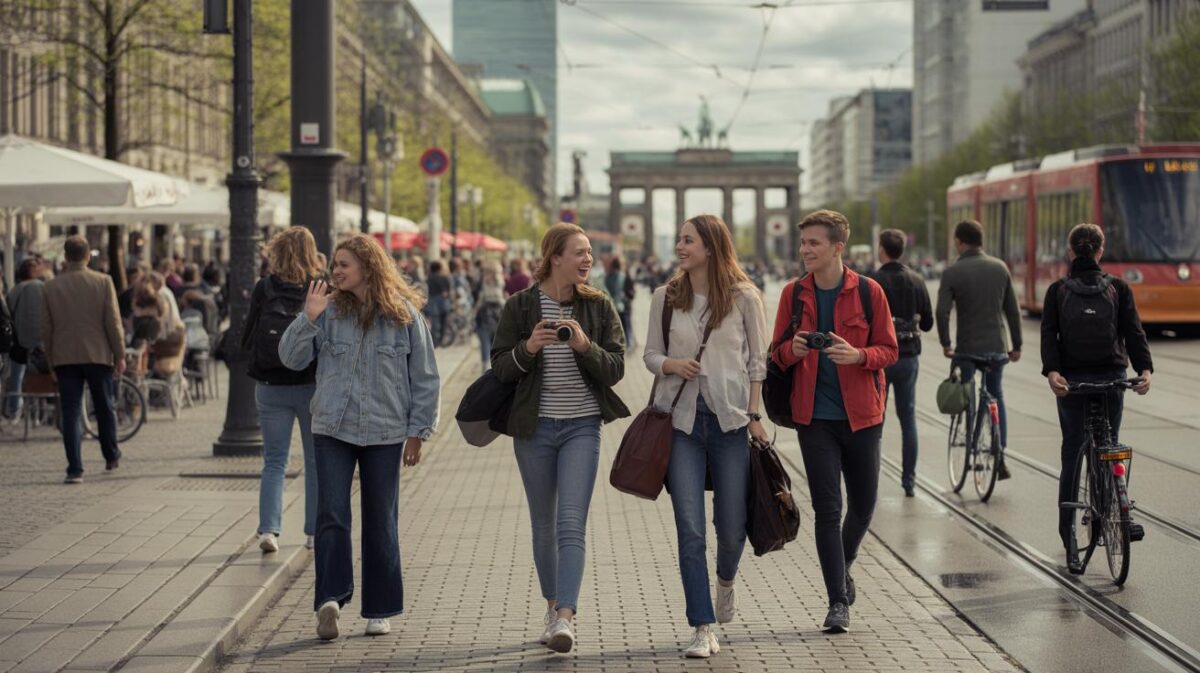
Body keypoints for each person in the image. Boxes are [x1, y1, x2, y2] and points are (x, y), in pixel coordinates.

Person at [278, 233, 440, 641]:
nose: (334, 271)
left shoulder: (404, 316)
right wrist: (308, 317)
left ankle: (380, 609)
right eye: (334, 264)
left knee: (381, 520)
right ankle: (329, 600)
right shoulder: (328, 313)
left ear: (368, 267)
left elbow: (425, 378)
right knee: (330, 514)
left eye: (343, 264)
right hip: (333, 427)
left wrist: (418, 433)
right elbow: (290, 359)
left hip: (385, 432)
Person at [490, 223, 629, 654]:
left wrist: (585, 346)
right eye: (580, 253)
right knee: (543, 524)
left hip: (582, 426)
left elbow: (617, 368)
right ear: (555, 258)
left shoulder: (599, 304)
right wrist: (528, 348)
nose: (589, 259)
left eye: (590, 253)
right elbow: (499, 367)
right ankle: (552, 607)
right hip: (534, 429)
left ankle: (566, 615)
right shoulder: (520, 306)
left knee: (571, 522)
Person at [643, 214, 768, 658]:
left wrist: (754, 413)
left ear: (712, 247)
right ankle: (702, 625)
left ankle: (726, 580)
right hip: (681, 424)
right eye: (679, 239)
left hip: (731, 421)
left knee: (732, 528)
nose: (680, 247)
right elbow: (650, 354)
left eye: (688, 240)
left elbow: (757, 361)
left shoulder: (744, 298)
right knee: (691, 529)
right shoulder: (665, 296)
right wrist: (672, 365)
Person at [769, 210, 897, 634]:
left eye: (814, 244)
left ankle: (844, 564)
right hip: (815, 419)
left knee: (863, 506)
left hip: (863, 416)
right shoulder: (794, 294)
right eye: (803, 243)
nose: (805, 250)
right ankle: (837, 601)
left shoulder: (869, 292)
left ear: (837, 247)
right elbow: (776, 353)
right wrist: (795, 350)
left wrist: (859, 356)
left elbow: (890, 351)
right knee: (828, 509)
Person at [1040, 223, 1152, 567]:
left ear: (1070, 251)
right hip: (1112, 378)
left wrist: (1053, 372)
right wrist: (1144, 370)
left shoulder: (1057, 290)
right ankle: (1115, 509)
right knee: (1110, 445)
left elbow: (1049, 335)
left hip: (1072, 381)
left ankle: (1070, 537)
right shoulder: (1118, 287)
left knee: (1072, 452)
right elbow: (1133, 331)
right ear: (1100, 252)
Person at [242, 228, 323, 554]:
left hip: (270, 385)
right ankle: (313, 532)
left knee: (274, 461)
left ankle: (268, 530)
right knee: (315, 461)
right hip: (309, 385)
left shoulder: (265, 287)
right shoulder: (320, 288)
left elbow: (248, 335)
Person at [936, 219, 1022, 479]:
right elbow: (1012, 311)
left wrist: (946, 342)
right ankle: (1000, 452)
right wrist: (1015, 345)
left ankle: (971, 442)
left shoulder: (952, 272)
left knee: (967, 394)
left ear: (959, 242)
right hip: (997, 348)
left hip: (967, 349)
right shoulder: (1000, 268)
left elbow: (942, 311)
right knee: (996, 394)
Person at [40, 236, 126, 483]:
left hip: (65, 357)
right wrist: (119, 354)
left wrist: (51, 358)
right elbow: (113, 322)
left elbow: (46, 328)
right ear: (88, 256)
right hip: (97, 354)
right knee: (104, 407)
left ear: (65, 258)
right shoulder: (103, 281)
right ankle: (111, 455)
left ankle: (75, 468)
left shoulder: (51, 287)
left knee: (70, 412)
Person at [870, 229, 933, 497]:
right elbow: (928, 324)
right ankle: (909, 481)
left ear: (882, 250)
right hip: (908, 357)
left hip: (880, 360)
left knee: (875, 419)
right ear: (902, 251)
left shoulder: (872, 281)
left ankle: (870, 479)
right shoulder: (917, 280)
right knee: (908, 418)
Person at [4, 258, 45, 420]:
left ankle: (14, 411)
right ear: (33, 272)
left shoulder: (14, 291)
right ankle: (41, 414)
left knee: (16, 377)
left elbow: (8, 314)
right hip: (42, 344)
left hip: (19, 343)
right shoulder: (44, 288)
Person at [472, 260, 505, 372]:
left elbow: (480, 300)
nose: (485, 274)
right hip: (493, 317)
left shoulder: (493, 284)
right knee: (489, 344)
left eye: (486, 272)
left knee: (487, 345)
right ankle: (488, 369)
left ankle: (488, 369)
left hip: (487, 316)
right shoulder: (497, 284)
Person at [604, 256, 633, 352]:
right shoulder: (624, 276)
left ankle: (618, 344)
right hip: (624, 305)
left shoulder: (608, 277)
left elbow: (607, 291)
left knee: (615, 327)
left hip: (612, 305)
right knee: (627, 325)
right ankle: (629, 344)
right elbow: (631, 292)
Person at [424, 260, 452, 347]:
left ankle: (435, 342)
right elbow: (448, 291)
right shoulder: (445, 277)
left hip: (433, 302)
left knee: (435, 324)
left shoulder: (430, 277)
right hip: (444, 302)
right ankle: (441, 340)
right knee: (444, 322)